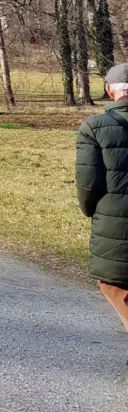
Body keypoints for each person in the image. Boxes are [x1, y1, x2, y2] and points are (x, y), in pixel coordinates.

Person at [76, 62, 128, 349]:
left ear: (110, 91)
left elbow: (88, 182)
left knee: (116, 283)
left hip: (115, 219)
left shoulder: (94, 127)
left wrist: (90, 210)